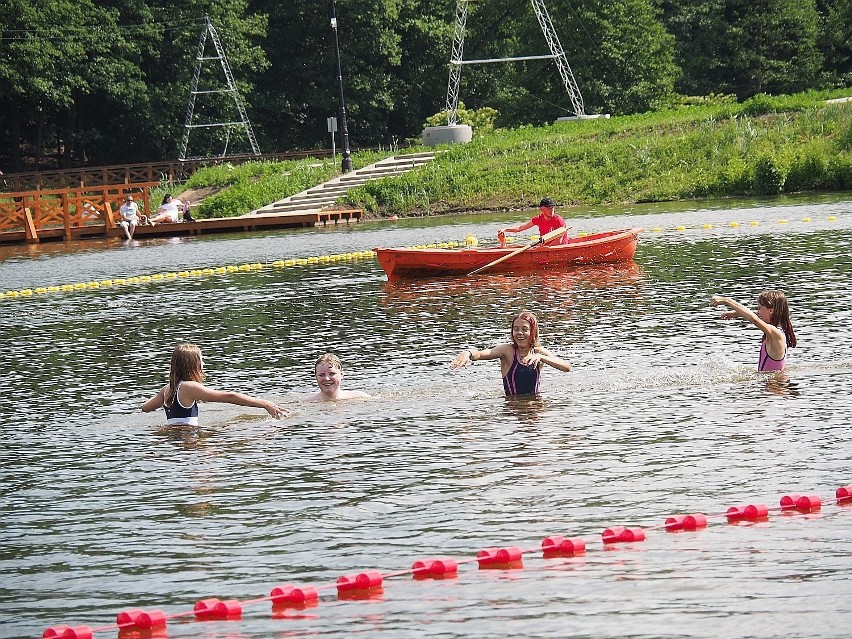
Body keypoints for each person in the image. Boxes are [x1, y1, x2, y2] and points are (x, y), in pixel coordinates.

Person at [142, 343, 290, 424]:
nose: (203, 363)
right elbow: (230, 397)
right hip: (188, 439)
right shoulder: (189, 387)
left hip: (174, 440)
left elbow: (145, 408)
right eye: (201, 360)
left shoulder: (167, 389)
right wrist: (265, 404)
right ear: (193, 365)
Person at [450, 309, 572, 395]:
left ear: (533, 332)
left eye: (525, 329)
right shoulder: (507, 351)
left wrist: (542, 357)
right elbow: (481, 354)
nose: (519, 333)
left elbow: (567, 368)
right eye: (516, 329)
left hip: (535, 407)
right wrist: (468, 353)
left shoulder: (539, 352)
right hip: (512, 408)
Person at [710, 291, 797, 372]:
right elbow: (755, 316)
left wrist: (727, 300)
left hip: (774, 387)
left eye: (759, 308)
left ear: (771, 311)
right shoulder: (778, 330)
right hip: (771, 385)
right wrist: (736, 314)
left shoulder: (775, 333)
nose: (758, 312)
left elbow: (754, 319)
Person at [302, 353, 372, 402]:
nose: (327, 378)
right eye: (321, 375)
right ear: (316, 376)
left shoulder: (361, 398)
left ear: (342, 374)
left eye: (332, 374)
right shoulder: (306, 403)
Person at [499, 197, 569, 245]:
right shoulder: (538, 219)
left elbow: (558, 241)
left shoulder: (559, 220)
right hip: (545, 248)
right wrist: (505, 229)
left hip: (558, 247)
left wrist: (542, 248)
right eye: (548, 208)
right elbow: (521, 228)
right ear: (541, 209)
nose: (552, 210)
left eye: (552, 207)